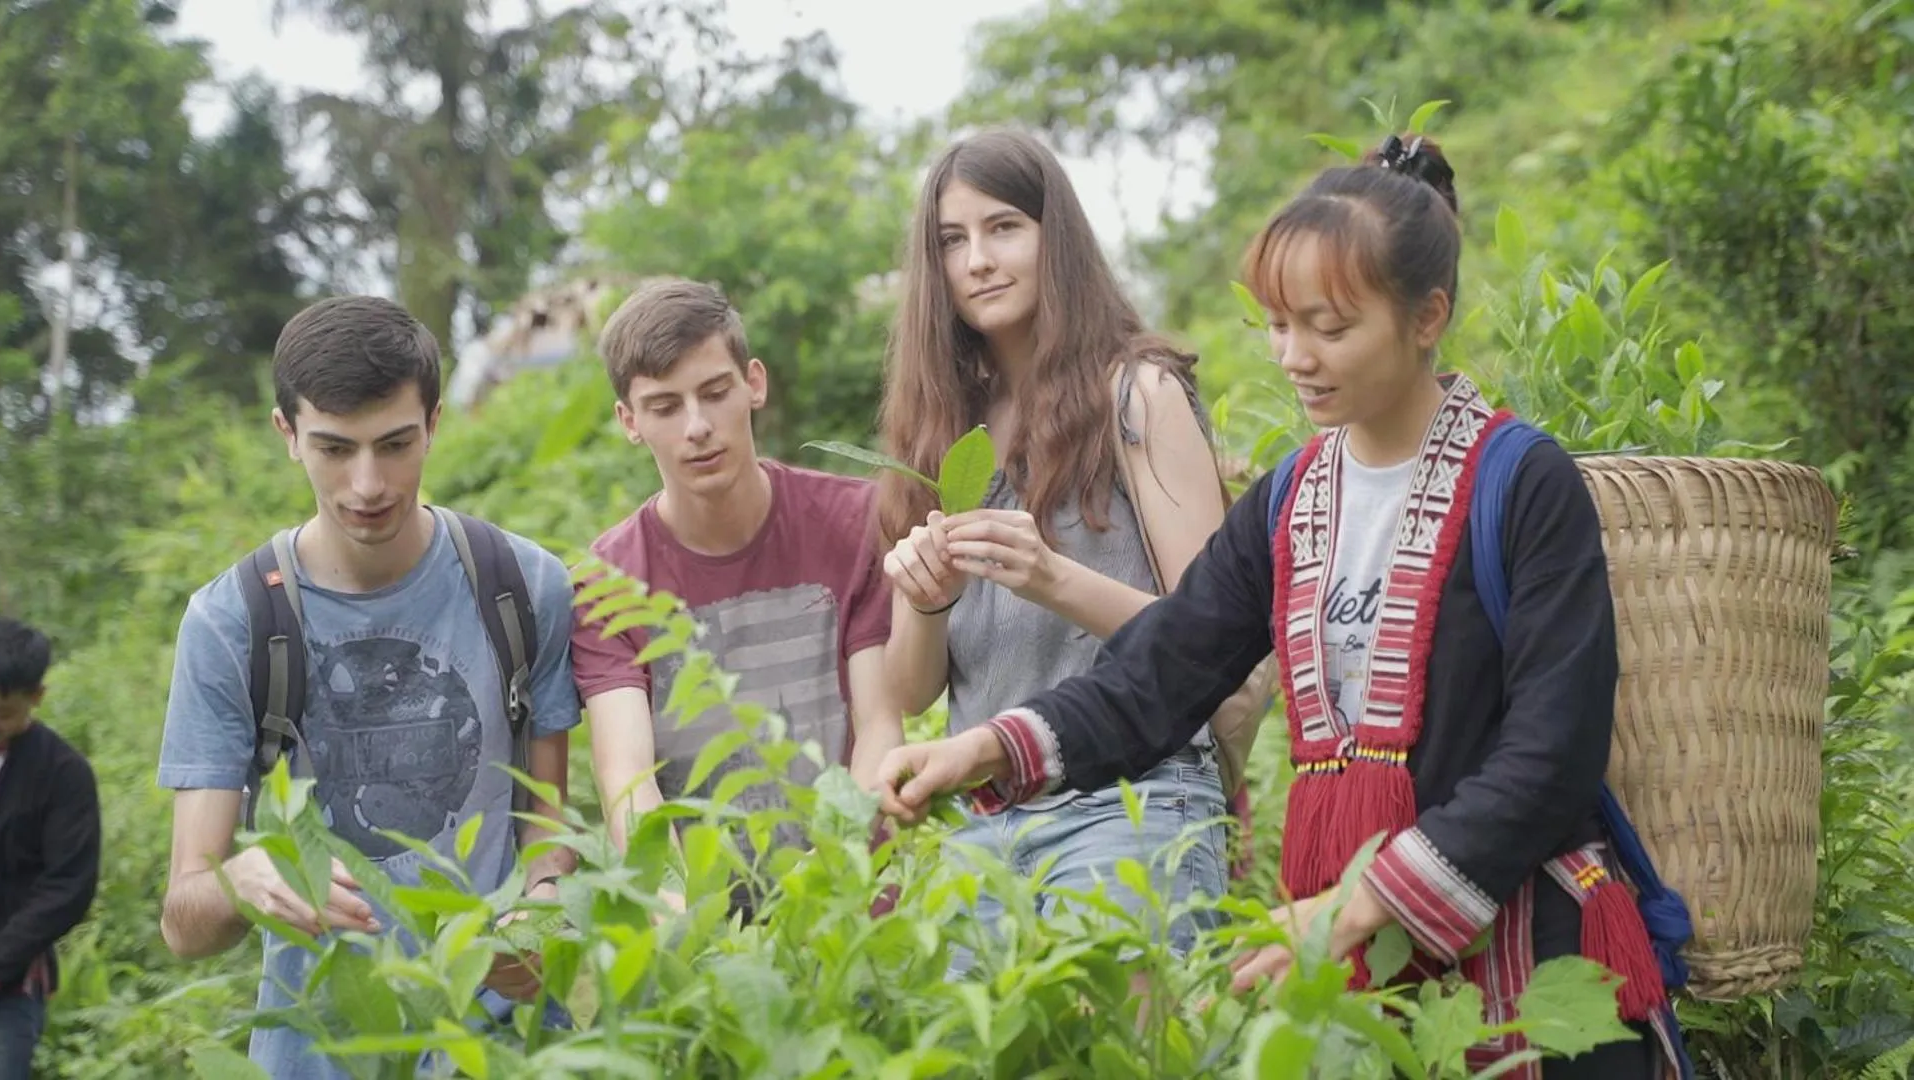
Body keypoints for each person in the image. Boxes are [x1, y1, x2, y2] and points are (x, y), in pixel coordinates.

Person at [874, 136, 1677, 1077]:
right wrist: (982, 748)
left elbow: (1552, 751)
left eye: (1329, 327)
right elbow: (1163, 672)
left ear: (1427, 318)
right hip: (1348, 954)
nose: (1294, 358)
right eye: (1276, 325)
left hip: (1523, 954)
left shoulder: (1521, 482)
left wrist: (1354, 904)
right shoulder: (1292, 497)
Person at [156, 296, 585, 1078]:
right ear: (286, 434)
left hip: (502, 1047)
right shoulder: (231, 624)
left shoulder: (522, 587)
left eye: (395, 445)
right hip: (318, 1050)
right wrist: (240, 882)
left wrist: (545, 908)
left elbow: (545, 837)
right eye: (333, 447)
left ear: (436, 423)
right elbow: (185, 925)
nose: (367, 484)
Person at [874, 128, 1236, 969]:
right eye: (951, 242)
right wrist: (926, 602)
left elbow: (1215, 637)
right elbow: (914, 686)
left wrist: (1052, 577)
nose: (978, 261)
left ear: (1055, 237)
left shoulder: (1136, 392)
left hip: (1131, 800)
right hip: (980, 828)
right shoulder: (939, 430)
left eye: (1004, 228)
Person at [569, 278, 903, 914]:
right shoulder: (605, 583)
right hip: (704, 930)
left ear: (753, 382)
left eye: (714, 393)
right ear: (629, 422)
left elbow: (882, 720)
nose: (697, 427)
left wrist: (835, 865)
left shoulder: (855, 522)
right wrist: (675, 903)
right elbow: (626, 775)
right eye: (664, 407)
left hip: (855, 912)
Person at [0, 618, 101, 1079]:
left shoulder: (63, 773)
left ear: (36, 696)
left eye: (2, 714)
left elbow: (68, 886)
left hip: (9, 984)